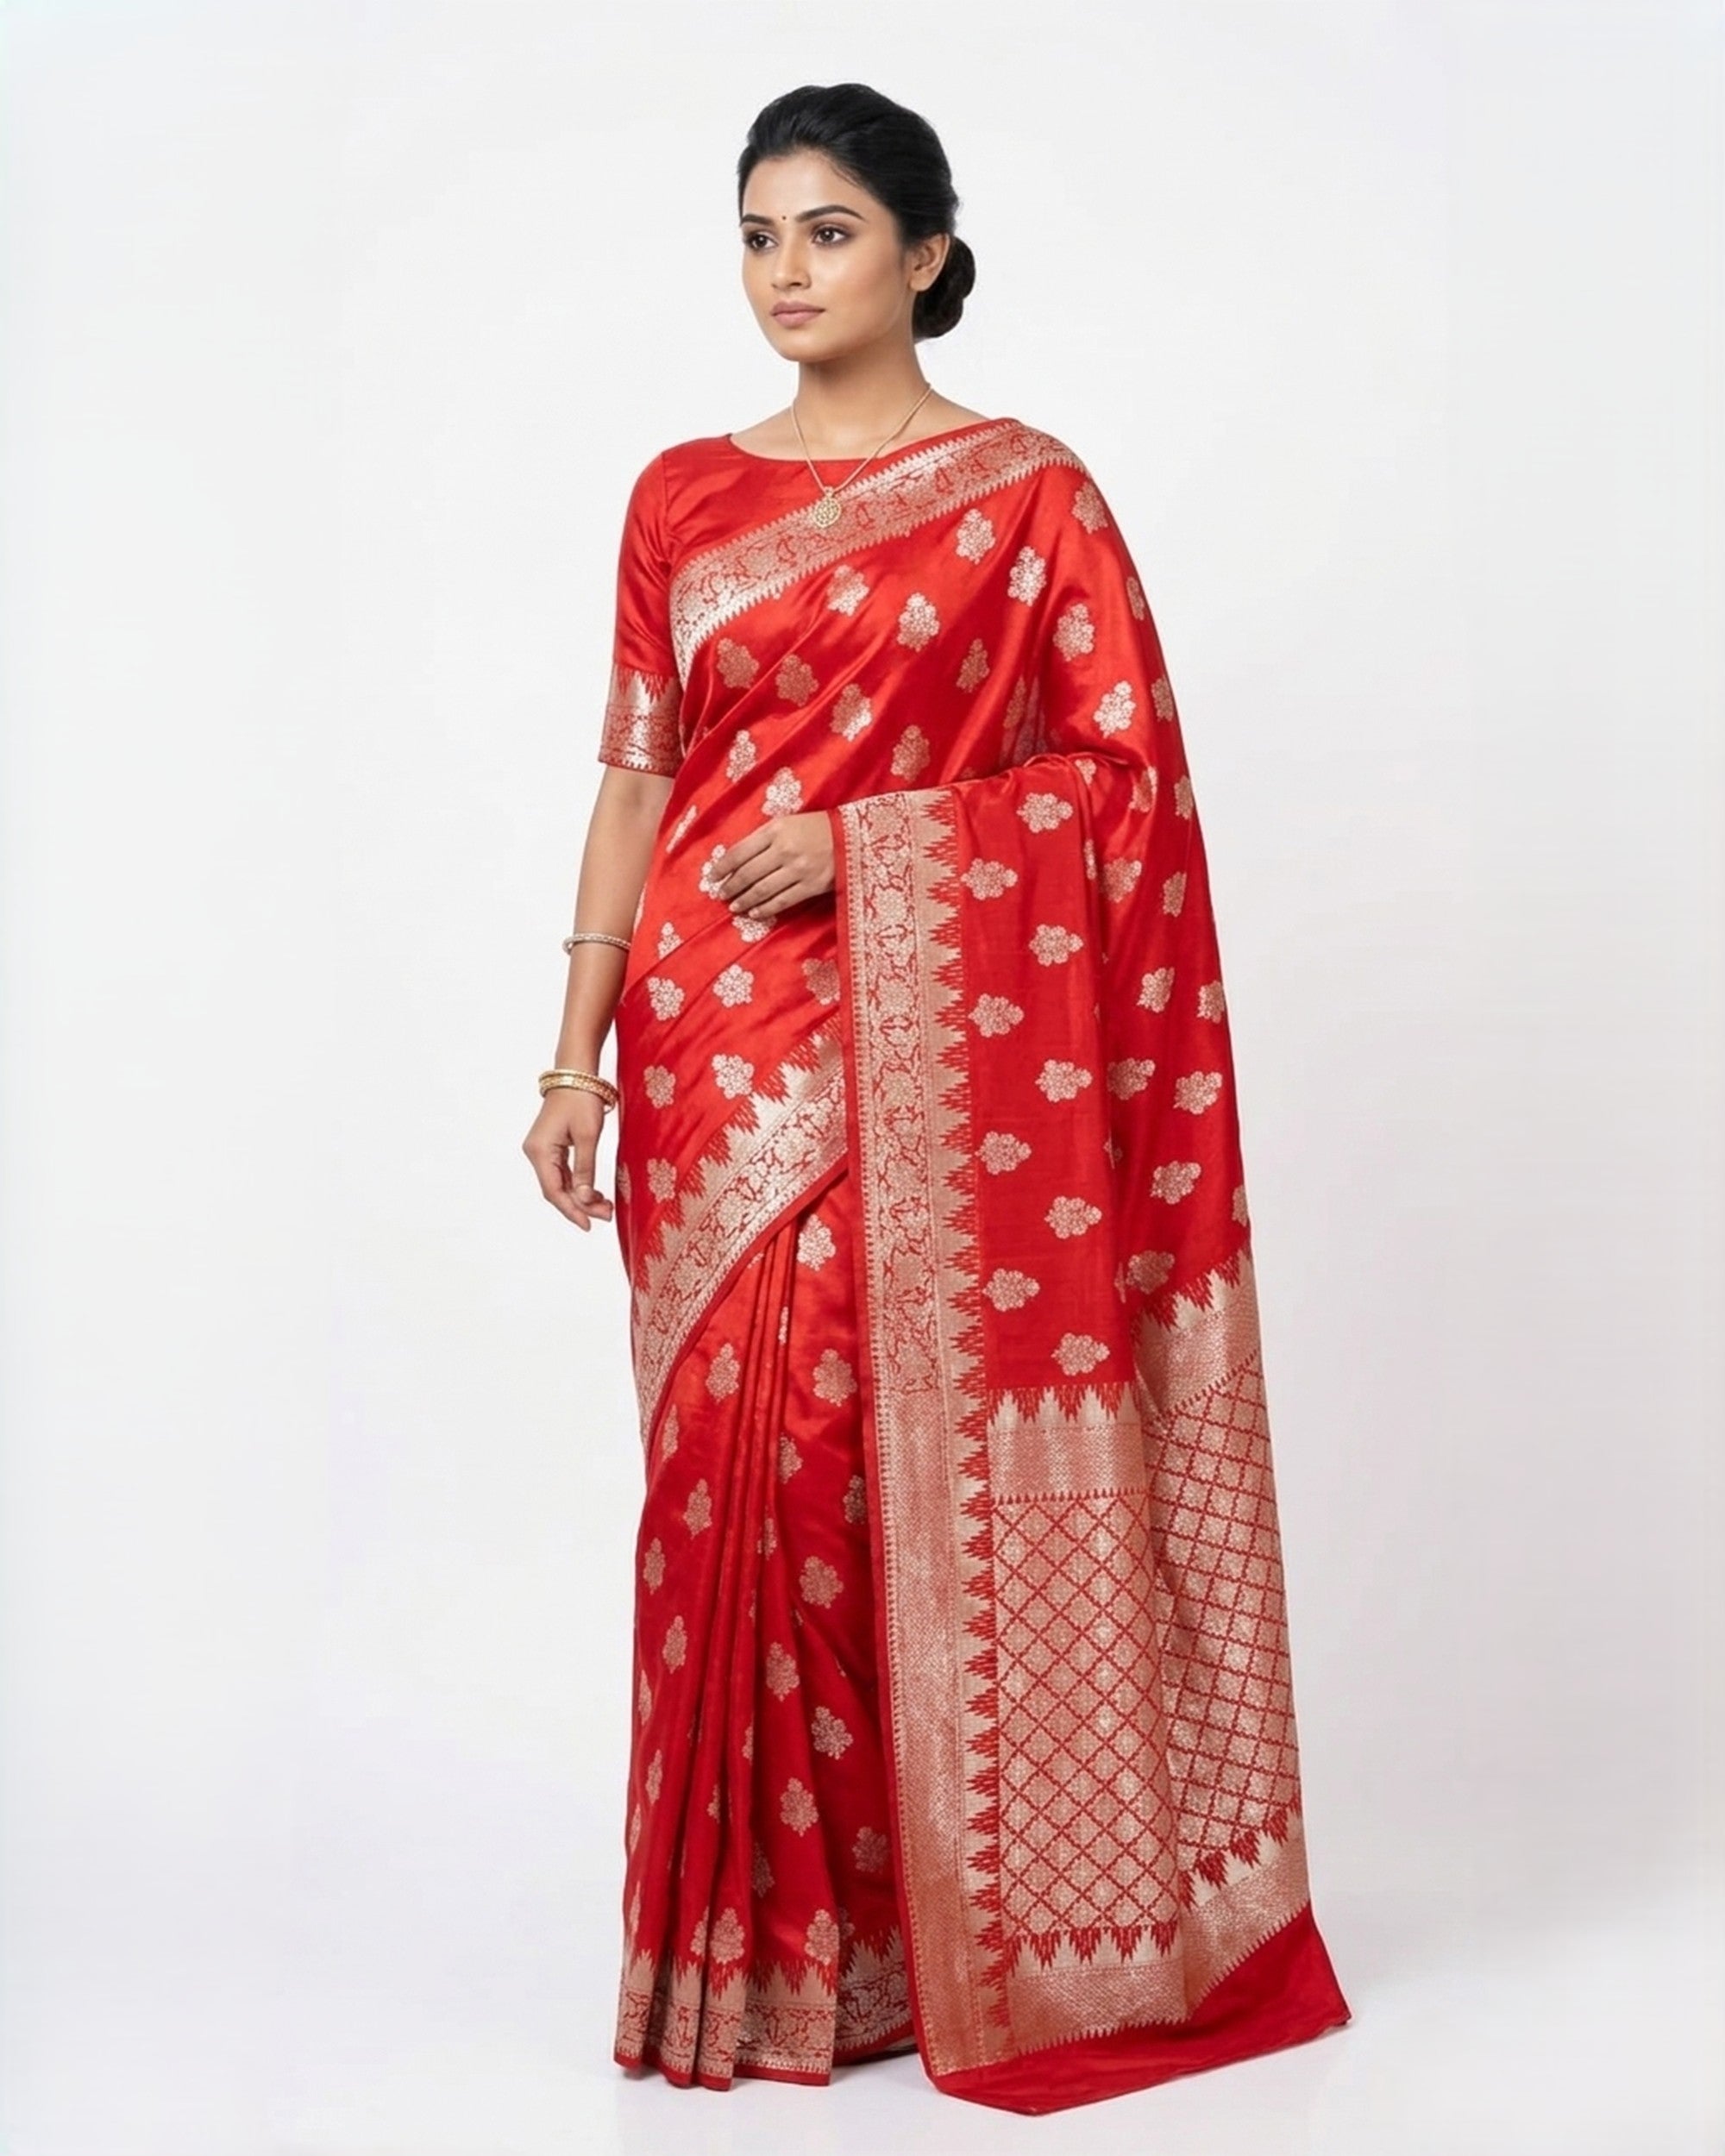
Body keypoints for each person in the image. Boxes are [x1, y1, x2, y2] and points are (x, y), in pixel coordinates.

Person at [522, 79, 1352, 2115]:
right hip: (713, 1040)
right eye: (755, 235)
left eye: (823, 233)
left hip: (911, 1030)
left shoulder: (1027, 494)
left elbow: (1121, 779)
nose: (782, 275)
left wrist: (880, 842)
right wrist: (573, 1045)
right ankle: (753, 1957)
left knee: (860, 1451)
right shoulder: (676, 499)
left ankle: (924, 1933)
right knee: (732, 1477)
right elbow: (634, 779)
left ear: (925, 253)